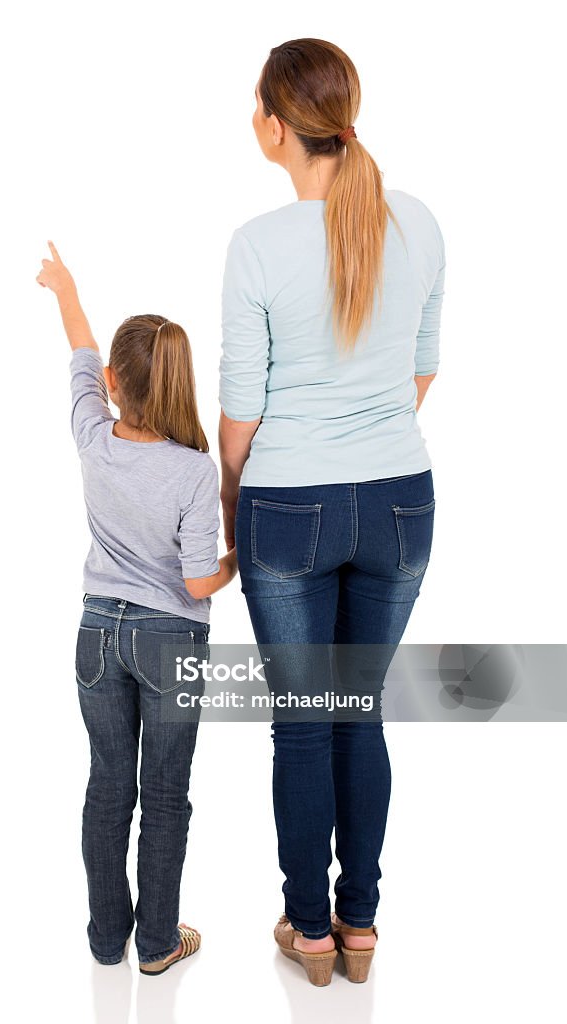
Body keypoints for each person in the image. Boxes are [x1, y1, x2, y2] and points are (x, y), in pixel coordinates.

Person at [218, 39, 445, 986]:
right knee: (360, 717)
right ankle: (359, 930)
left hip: (289, 509)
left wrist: (232, 513)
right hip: (400, 503)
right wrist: (368, 437)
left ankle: (307, 932)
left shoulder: (258, 245)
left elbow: (241, 409)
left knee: (304, 724)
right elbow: (423, 367)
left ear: (276, 124)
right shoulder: (420, 223)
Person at [36, 241, 238, 975]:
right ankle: (157, 943)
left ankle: (103, 939)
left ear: (115, 384)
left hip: (95, 635)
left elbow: (81, 353)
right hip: (169, 640)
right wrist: (238, 561)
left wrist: (64, 289)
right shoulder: (192, 471)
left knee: (107, 788)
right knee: (164, 796)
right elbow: (194, 585)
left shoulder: (93, 438)